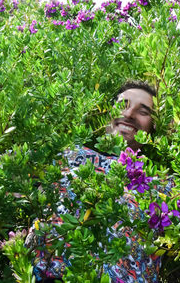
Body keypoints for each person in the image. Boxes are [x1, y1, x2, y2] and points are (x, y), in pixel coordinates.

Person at [25, 80, 162, 282]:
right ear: (107, 112)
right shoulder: (65, 156)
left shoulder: (159, 186)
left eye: (143, 111)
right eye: (123, 104)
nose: (129, 114)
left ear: (153, 128)